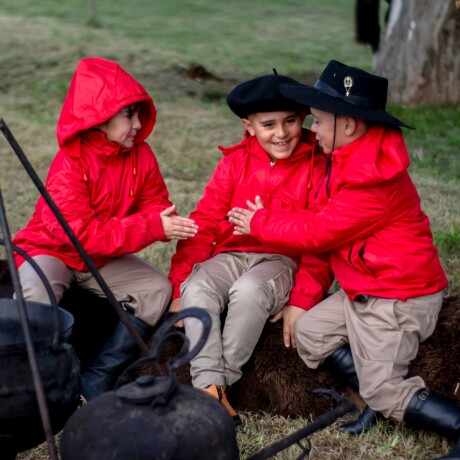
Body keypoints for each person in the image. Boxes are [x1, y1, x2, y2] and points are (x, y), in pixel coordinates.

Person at [227, 60, 460, 459]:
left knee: (386, 388)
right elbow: (320, 223)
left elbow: (318, 232)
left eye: (317, 120)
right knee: (310, 333)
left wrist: (259, 220)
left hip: (397, 295)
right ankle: (373, 399)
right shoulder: (347, 158)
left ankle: (436, 418)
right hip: (364, 285)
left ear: (348, 124)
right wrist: (302, 297)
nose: (311, 129)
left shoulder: (372, 181)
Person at [12, 57, 198, 401]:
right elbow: (77, 236)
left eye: (140, 114)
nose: (139, 124)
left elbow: (155, 202)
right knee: (37, 298)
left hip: (103, 255)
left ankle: (98, 375)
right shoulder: (70, 162)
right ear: (99, 119)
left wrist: (167, 218)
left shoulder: (141, 155)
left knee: (156, 288)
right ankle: (39, 383)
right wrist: (151, 225)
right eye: (129, 115)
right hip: (53, 250)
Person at [168, 71, 332, 425]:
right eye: (268, 124)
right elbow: (206, 221)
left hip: (281, 259)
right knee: (198, 288)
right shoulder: (233, 163)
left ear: (302, 118)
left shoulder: (318, 166)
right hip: (231, 254)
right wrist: (180, 281)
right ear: (248, 125)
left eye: (290, 121)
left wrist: (303, 299)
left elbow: (322, 241)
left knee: (249, 290)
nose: (281, 133)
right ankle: (210, 390)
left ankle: (219, 381)